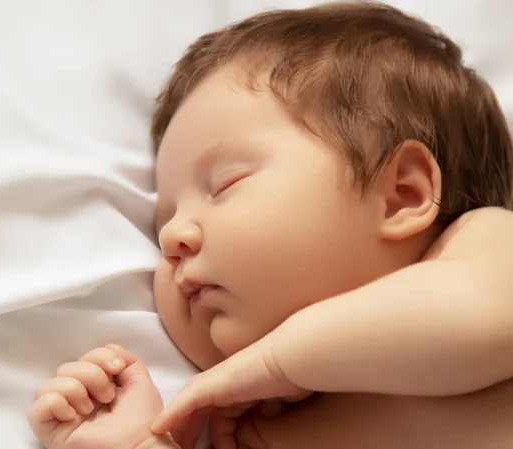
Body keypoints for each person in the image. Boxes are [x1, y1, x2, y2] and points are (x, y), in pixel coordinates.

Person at [27, 3, 513, 448]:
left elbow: (493, 319)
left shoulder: (483, 245)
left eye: (224, 183)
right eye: (162, 226)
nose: (173, 239)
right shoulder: (253, 432)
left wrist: (270, 367)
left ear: (401, 196)